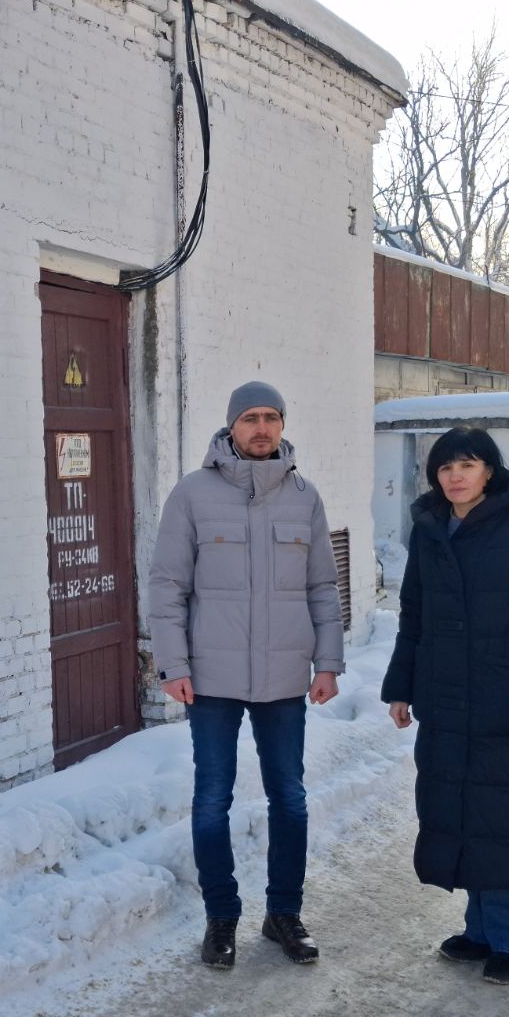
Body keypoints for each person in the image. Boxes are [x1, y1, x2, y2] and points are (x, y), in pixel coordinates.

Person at [148, 381, 344, 969]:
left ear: (282, 425)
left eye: (271, 418)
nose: (261, 428)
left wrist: (328, 662)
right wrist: (173, 664)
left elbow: (322, 586)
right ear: (231, 426)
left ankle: (283, 912)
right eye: (250, 418)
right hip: (211, 678)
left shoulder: (304, 497)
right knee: (212, 799)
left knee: (291, 799)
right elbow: (167, 585)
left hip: (284, 677)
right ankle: (221, 916)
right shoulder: (192, 494)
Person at [380, 427, 509, 985]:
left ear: (489, 470)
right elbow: (413, 615)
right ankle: (481, 930)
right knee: (462, 811)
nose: (455, 476)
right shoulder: (431, 530)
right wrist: (401, 687)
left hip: (505, 703)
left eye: (467, 464)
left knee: (505, 817)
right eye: (445, 467)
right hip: (445, 699)